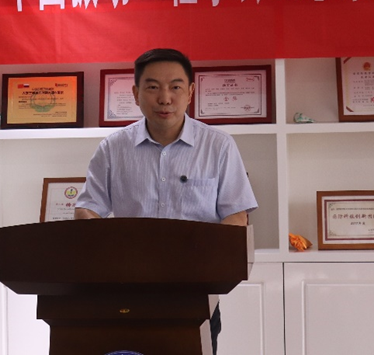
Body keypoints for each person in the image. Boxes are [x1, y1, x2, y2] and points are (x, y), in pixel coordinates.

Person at [75, 48, 258, 354]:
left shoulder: (219, 146)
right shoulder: (113, 148)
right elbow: (87, 209)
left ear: (190, 93)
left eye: (175, 87)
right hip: (127, 294)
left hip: (195, 295)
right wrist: (112, 259)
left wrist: (204, 269)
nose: (164, 98)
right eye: (152, 87)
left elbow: (236, 217)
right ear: (136, 94)